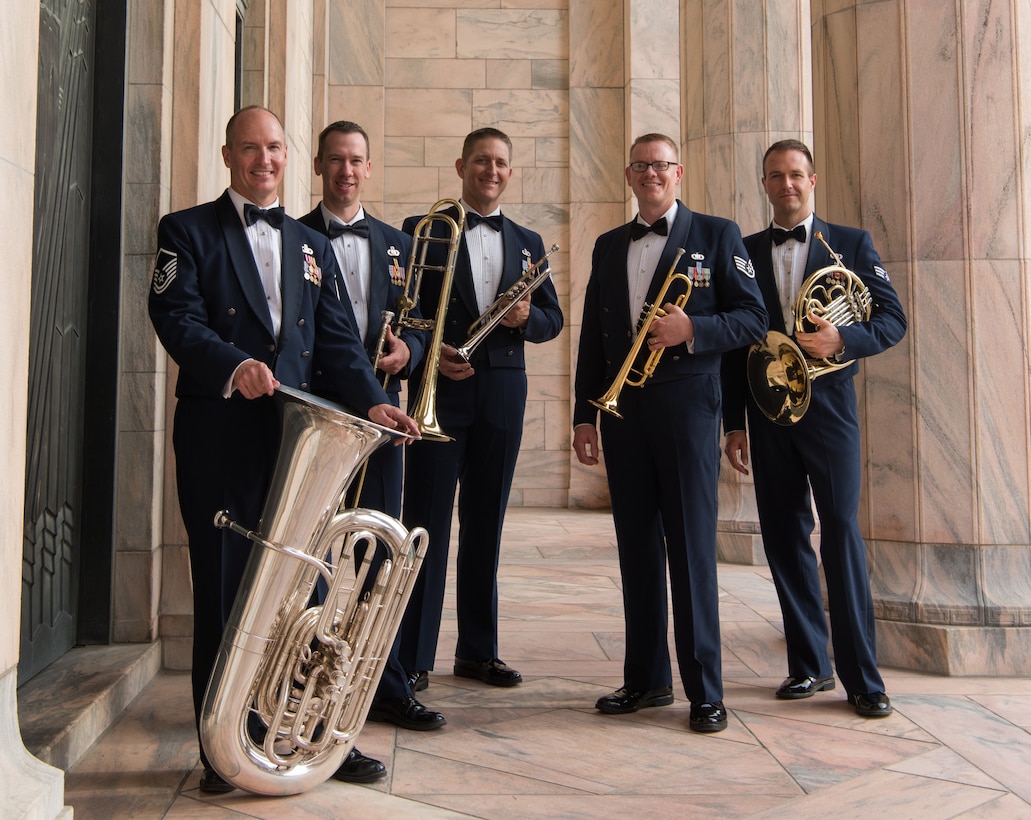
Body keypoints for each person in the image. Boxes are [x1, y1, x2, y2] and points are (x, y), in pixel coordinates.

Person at [148, 106, 419, 794]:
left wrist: (373, 401)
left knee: (305, 591)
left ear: (285, 155)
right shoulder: (186, 230)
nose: (262, 160)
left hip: (296, 442)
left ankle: (304, 731)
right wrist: (231, 365)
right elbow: (174, 316)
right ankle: (220, 748)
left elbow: (334, 339)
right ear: (227, 154)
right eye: (249, 149)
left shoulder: (309, 242)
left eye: (273, 148)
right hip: (220, 433)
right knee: (224, 589)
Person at [572, 133, 767, 733]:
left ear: (678, 172)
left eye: (661, 165)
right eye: (641, 166)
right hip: (624, 411)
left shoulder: (718, 234)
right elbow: (592, 335)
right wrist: (585, 413)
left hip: (687, 408)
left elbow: (754, 318)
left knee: (689, 549)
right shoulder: (608, 245)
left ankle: (706, 690)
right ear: (628, 176)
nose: (651, 174)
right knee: (635, 546)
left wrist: (693, 328)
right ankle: (646, 679)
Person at [721, 139, 906, 718]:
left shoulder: (850, 243)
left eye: (796, 175)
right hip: (768, 412)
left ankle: (864, 679)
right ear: (765, 183)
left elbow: (892, 319)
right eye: (776, 176)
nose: (787, 185)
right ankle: (809, 666)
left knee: (842, 535)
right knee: (781, 535)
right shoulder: (745, 250)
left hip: (828, 412)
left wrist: (842, 340)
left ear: (813, 179)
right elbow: (734, 344)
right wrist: (735, 423)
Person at [397, 127, 563, 691]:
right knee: (427, 525)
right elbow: (406, 313)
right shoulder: (423, 232)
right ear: (461, 166)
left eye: (500, 164)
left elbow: (553, 321)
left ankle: (477, 651)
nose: (491, 171)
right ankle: (415, 656)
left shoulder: (528, 241)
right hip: (438, 394)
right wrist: (428, 355)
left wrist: (524, 320)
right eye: (481, 161)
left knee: (485, 526)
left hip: (501, 399)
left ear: (510, 173)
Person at [298, 120, 445, 731]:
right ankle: (304, 677)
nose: (347, 171)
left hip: (385, 413)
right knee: (312, 551)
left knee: (382, 550)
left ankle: (383, 685)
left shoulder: (397, 243)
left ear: (368, 166)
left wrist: (407, 352)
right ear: (319, 166)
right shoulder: (293, 236)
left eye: (357, 160)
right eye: (336, 160)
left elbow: (422, 323)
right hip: (317, 412)